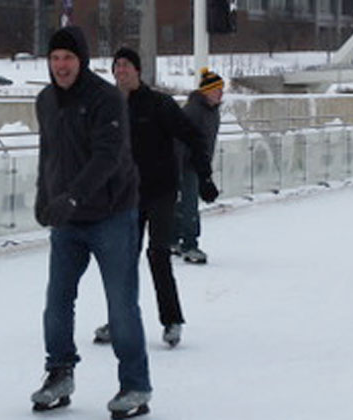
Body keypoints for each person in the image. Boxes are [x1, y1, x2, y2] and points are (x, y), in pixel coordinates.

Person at [28, 26, 152, 419]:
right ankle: (59, 373)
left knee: (120, 304)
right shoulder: (46, 100)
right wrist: (44, 196)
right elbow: (48, 153)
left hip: (111, 214)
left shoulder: (106, 99)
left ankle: (135, 385)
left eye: (68, 58)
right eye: (55, 58)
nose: (61, 66)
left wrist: (73, 196)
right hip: (68, 217)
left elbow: (108, 156)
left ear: (81, 61)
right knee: (57, 302)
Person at [90, 47, 218, 349]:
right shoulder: (108, 107)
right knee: (122, 260)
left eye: (126, 65)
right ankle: (119, 319)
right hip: (125, 197)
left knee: (158, 255)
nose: (121, 70)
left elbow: (193, 135)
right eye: (117, 66)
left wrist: (205, 177)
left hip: (160, 191)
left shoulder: (159, 104)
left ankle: (172, 320)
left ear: (138, 71)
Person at [172, 67, 225, 264]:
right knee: (189, 204)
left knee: (184, 203)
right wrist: (178, 168)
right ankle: (189, 244)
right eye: (217, 89)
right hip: (187, 163)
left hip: (198, 163)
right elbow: (180, 140)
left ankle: (174, 239)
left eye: (222, 90)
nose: (221, 94)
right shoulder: (193, 111)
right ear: (207, 91)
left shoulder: (212, 111)